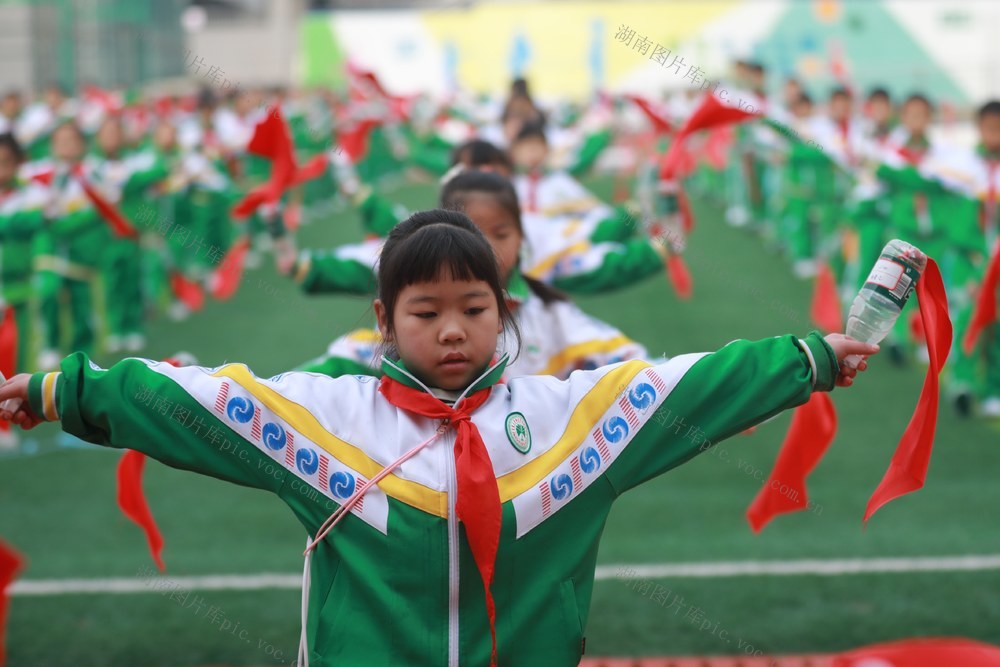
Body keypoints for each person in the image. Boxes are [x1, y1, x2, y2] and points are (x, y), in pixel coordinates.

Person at [0, 208, 877, 667]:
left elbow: (691, 382)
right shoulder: (334, 420)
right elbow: (197, 401)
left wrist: (811, 358)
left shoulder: (572, 421)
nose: (452, 331)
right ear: (384, 320)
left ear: (506, 314)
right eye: (426, 312)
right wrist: (57, 391)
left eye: (475, 308)